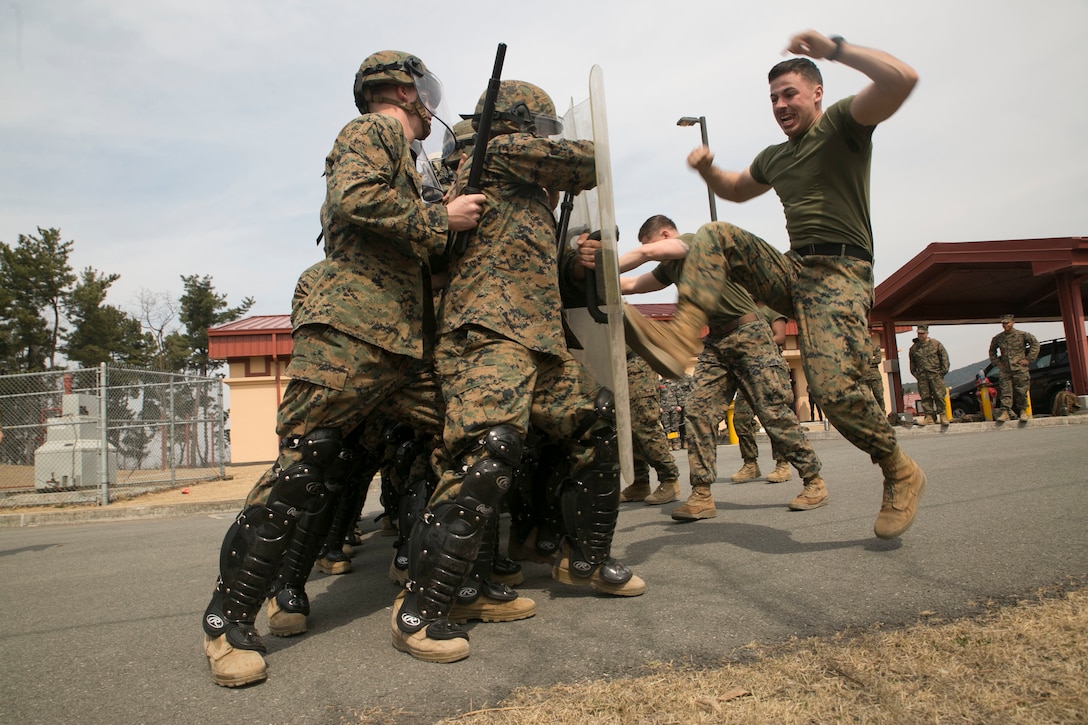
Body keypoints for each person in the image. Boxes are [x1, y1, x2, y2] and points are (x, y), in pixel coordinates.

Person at [199, 50, 486, 688]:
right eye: (424, 94)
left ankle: (428, 602)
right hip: (354, 331)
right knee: (305, 467)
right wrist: (440, 217)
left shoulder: (408, 164)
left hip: (401, 345)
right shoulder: (375, 130)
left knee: (466, 445)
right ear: (404, 92)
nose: (428, 107)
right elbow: (354, 197)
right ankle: (229, 620)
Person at [623, 31, 924, 539]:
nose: (781, 105)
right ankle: (682, 335)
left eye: (789, 94)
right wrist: (709, 171)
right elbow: (736, 191)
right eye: (773, 99)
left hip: (841, 274)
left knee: (833, 389)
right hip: (794, 270)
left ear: (816, 93)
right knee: (716, 234)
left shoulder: (842, 126)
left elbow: (902, 79)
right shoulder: (776, 157)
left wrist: (834, 49)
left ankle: (898, 468)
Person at [392, 80, 644, 665]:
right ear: (515, 125)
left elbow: (520, 255)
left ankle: (582, 559)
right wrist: (564, 157)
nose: (544, 142)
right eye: (541, 131)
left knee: (595, 419)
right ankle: (423, 608)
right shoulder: (502, 152)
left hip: (539, 340)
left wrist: (572, 258)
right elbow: (589, 161)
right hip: (487, 336)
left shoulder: (520, 189)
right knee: (487, 454)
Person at [605, 214, 825, 521]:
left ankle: (813, 480)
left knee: (772, 411)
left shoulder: (695, 243)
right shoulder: (670, 267)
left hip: (749, 336)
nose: (648, 250)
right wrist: (596, 281)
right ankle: (702, 495)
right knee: (697, 411)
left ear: (666, 234)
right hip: (716, 343)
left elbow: (645, 254)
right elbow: (634, 285)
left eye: (651, 243)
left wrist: (604, 264)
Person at [731, 305, 793, 484]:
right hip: (747, 373)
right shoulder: (742, 310)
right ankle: (750, 464)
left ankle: (782, 465)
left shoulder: (771, 309)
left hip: (769, 372)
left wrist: (752, 346)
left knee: (773, 418)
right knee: (741, 419)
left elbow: (780, 337)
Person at [619, 351, 682, 505]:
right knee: (624, 429)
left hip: (635, 366)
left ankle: (669, 479)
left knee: (644, 425)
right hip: (614, 367)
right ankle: (639, 483)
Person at [988, 314, 1040, 421]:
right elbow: (992, 351)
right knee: (1005, 392)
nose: (1005, 325)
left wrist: (1028, 359)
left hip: (1019, 368)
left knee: (1021, 391)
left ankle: (1023, 412)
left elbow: (1035, 344)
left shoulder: (1022, 335)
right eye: (1003, 323)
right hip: (1006, 370)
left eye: (1007, 323)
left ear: (1012, 322)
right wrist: (997, 363)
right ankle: (1005, 412)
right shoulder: (998, 338)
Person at [908, 325, 950, 425]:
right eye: (919, 333)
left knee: (939, 395)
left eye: (922, 333)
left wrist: (942, 372)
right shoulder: (914, 348)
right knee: (925, 397)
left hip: (935, 375)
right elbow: (912, 364)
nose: (920, 335)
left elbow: (945, 359)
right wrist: (917, 375)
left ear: (927, 333)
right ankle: (929, 417)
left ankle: (943, 415)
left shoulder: (936, 344)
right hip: (922, 377)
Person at [861, 338, 886, 414]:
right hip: (863, 378)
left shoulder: (875, 347)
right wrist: (871, 359)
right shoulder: (858, 348)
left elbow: (878, 360)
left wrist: (865, 361)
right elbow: (856, 361)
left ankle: (882, 414)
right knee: (865, 399)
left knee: (879, 396)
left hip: (875, 377)